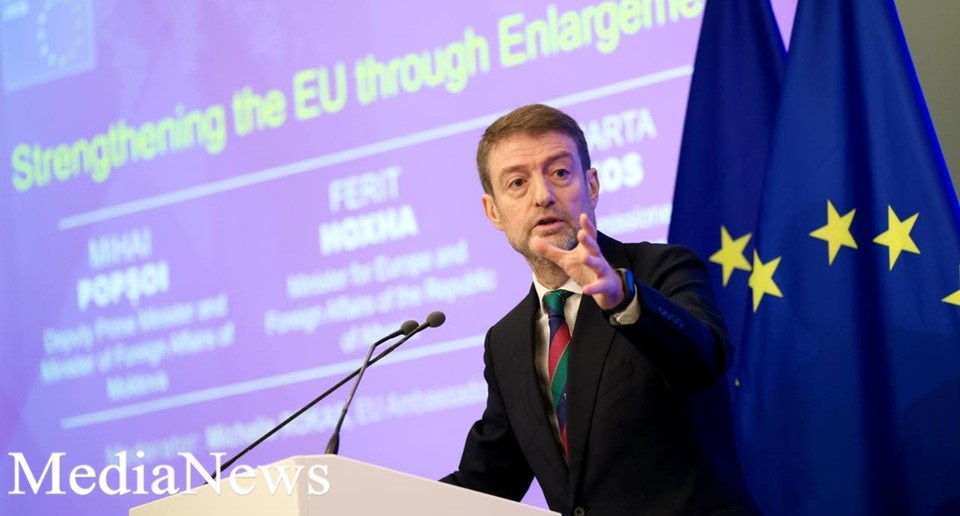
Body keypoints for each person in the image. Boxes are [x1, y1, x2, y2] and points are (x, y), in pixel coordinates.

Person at [440, 104, 757, 516]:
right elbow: (486, 481)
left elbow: (703, 361)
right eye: (517, 183)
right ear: (493, 211)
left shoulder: (660, 271)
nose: (542, 196)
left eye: (560, 173)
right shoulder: (506, 342)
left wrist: (623, 299)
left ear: (591, 185)